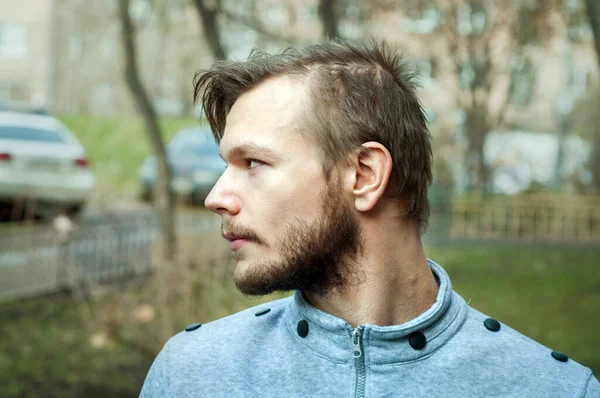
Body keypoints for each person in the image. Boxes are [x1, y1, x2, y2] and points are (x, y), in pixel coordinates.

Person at [140, 40, 599, 397]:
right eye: (225, 166)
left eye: (253, 163)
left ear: (363, 174)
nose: (217, 197)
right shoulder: (191, 375)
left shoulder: (554, 389)